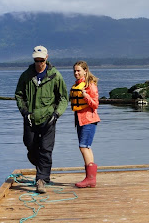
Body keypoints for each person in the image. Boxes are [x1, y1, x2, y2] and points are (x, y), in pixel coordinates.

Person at [15, 45, 68, 193]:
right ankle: (42, 167)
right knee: (30, 145)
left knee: (46, 149)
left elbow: (64, 98)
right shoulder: (26, 75)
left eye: (41, 60)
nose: (39, 63)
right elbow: (19, 95)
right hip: (30, 118)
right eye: (36, 60)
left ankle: (41, 180)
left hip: (48, 118)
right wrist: (24, 112)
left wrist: (56, 114)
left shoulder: (55, 75)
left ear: (47, 58)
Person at [71, 60, 101, 188]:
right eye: (74, 71)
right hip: (80, 119)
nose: (76, 73)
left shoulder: (90, 85)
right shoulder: (78, 84)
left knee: (84, 146)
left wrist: (85, 95)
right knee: (86, 147)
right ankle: (90, 178)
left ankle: (90, 178)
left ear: (85, 71)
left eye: (78, 70)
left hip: (89, 120)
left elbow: (95, 104)